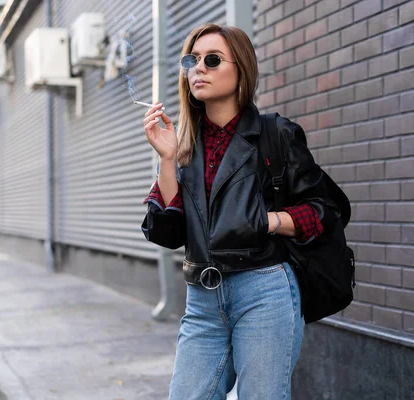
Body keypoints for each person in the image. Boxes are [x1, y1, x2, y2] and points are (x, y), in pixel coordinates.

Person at [141, 23, 340, 400]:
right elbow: (168, 233)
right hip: (201, 299)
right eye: (192, 60)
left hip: (264, 290)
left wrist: (267, 221)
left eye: (212, 59)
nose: (198, 68)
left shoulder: (275, 133)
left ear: (241, 68)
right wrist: (167, 159)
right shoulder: (181, 145)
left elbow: (323, 211)